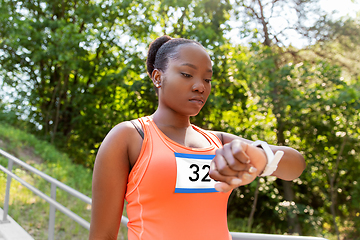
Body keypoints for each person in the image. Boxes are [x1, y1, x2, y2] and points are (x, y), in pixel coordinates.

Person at [89, 35, 306, 240]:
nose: (200, 86)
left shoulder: (218, 141)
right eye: (186, 74)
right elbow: (103, 236)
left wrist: (261, 158)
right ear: (158, 77)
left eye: (207, 79)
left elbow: (296, 165)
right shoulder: (130, 136)